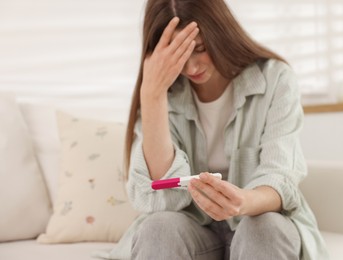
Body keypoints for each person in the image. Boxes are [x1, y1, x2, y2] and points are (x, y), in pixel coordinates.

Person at [96, 0, 329, 259]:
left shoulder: (275, 79)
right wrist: (152, 95)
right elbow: (161, 199)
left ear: (221, 32)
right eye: (178, 56)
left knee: (265, 228)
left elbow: (281, 178)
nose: (191, 68)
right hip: (191, 231)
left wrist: (242, 202)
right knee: (158, 228)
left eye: (200, 49)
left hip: (254, 220)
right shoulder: (164, 94)